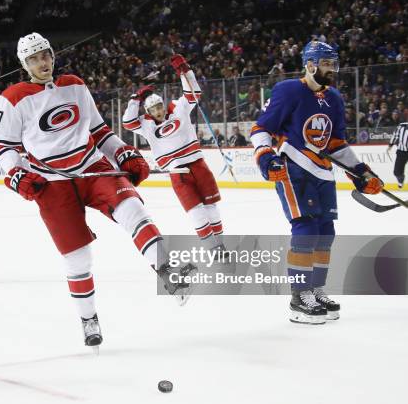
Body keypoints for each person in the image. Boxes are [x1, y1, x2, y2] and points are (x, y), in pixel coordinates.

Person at [0, 33, 195, 349]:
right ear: (24, 64)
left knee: (134, 209)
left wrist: (123, 152)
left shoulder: (74, 83)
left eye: (45, 55)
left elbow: (99, 131)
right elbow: (3, 147)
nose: (42, 62)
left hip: (93, 167)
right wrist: (16, 173)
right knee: (78, 259)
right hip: (52, 182)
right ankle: (89, 319)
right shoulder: (13, 97)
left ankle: (167, 272)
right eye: (34, 59)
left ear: (52, 54)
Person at [250, 41, 383, 324]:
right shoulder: (288, 91)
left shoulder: (334, 97)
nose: (331, 69)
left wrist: (361, 172)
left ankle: (316, 289)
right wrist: (265, 158)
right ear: (310, 64)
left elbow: (336, 143)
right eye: (325, 63)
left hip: (322, 173)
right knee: (306, 228)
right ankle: (299, 296)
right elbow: (262, 128)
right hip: (293, 169)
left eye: (333, 64)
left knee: (325, 232)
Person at [122, 54, 225, 251]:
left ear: (164, 103)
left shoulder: (178, 109)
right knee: (196, 212)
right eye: (153, 108)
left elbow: (193, 93)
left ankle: (220, 244)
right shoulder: (146, 125)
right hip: (179, 173)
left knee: (211, 207)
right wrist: (135, 99)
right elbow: (127, 122)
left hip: (198, 164)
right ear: (148, 111)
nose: (158, 110)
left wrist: (185, 71)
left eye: (159, 105)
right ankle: (212, 248)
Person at [387, 122, 408, 189]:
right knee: (397, 172)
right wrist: (390, 145)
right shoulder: (402, 125)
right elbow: (395, 135)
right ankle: (401, 180)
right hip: (402, 151)